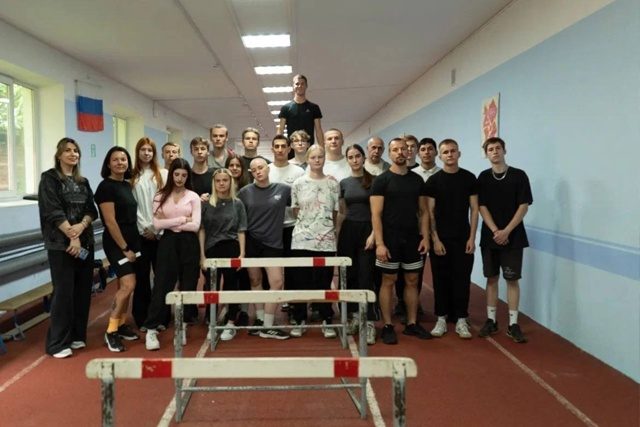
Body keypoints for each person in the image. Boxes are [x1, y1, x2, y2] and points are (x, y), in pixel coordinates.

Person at [38, 137, 98, 358]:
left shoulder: (83, 181)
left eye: (76, 151)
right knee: (63, 293)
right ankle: (57, 343)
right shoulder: (50, 179)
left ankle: (76, 336)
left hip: (84, 244)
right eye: (68, 150)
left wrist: (81, 227)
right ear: (59, 155)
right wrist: (72, 235)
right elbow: (52, 211)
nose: (73, 154)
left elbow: (92, 210)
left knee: (82, 291)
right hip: (61, 246)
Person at [371, 137, 431, 345]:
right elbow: (376, 215)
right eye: (395, 149)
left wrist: (425, 237)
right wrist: (380, 243)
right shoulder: (381, 181)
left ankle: (412, 323)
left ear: (409, 152)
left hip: (412, 239)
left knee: (412, 280)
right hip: (390, 239)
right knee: (388, 280)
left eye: (403, 149)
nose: (400, 152)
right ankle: (388, 325)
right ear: (389, 154)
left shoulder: (417, 180)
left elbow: (423, 212)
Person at [477, 137, 533, 343]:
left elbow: (524, 205)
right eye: (490, 149)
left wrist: (507, 231)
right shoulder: (483, 177)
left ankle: (513, 324)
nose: (494, 151)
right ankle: (491, 321)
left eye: (498, 148)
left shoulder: (519, 175)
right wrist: (495, 231)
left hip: (514, 237)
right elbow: (481, 206)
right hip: (490, 237)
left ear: (504, 150)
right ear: (486, 154)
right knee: (491, 279)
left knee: (512, 280)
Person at [143, 158, 201, 351]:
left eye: (184, 175)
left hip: (189, 243)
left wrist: (169, 221)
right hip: (167, 242)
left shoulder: (193, 196)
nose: (180, 178)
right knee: (162, 284)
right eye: (176, 174)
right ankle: (152, 329)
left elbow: (195, 225)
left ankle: (182, 326)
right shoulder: (160, 196)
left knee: (188, 284)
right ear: (171, 175)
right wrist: (183, 219)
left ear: (188, 177)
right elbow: (157, 224)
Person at [425, 139, 479, 339]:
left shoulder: (469, 178)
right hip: (441, 239)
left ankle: (462, 319)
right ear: (440, 156)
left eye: (453, 151)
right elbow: (430, 213)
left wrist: (472, 238)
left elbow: (474, 210)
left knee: (462, 279)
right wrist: (435, 240)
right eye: (446, 152)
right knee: (440, 279)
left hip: (463, 238)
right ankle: (441, 318)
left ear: (459, 153)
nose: (449, 154)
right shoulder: (433, 182)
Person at [238, 158, 291, 339]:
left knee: (277, 282)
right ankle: (260, 321)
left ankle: (268, 325)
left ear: (268, 169)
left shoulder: (283, 190)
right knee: (255, 281)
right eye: (253, 170)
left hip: (273, 242)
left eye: (260, 168)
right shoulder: (244, 192)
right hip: (252, 242)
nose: (258, 172)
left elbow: (302, 199)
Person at [289, 145, 339, 338]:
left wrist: (325, 228)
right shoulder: (298, 183)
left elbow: (334, 212)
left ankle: (327, 318)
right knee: (300, 281)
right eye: (313, 157)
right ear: (308, 159)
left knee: (324, 281)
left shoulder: (333, 183)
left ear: (325, 159)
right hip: (301, 239)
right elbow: (296, 210)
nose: (317, 160)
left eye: (321, 157)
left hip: (326, 239)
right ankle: (300, 318)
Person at [94, 147, 141, 352]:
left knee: (126, 284)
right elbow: (110, 222)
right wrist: (125, 248)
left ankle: (121, 324)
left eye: (123, 159)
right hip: (117, 243)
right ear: (108, 164)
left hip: (133, 239)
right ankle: (111, 331)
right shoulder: (105, 187)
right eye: (115, 160)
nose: (120, 163)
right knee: (128, 285)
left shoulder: (127, 185)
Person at [199, 168, 247, 341]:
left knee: (231, 285)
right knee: (211, 287)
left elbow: (241, 230)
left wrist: (242, 254)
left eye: (225, 180)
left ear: (230, 182)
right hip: (211, 248)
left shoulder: (238, 203)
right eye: (218, 180)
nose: (221, 183)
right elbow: (201, 230)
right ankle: (212, 321)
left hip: (231, 247)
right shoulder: (206, 203)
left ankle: (231, 321)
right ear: (214, 183)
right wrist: (202, 256)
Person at [338, 144, 378, 345]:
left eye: (357, 156)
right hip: (348, 232)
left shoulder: (374, 181)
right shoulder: (344, 183)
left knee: (366, 276)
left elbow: (378, 212)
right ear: (347, 160)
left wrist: (374, 234)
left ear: (363, 158)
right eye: (350, 157)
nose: (354, 160)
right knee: (350, 276)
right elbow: (342, 212)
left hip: (368, 231)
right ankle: (354, 316)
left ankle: (369, 322)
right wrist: (337, 235)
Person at [130, 137, 165, 330]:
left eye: (149, 150)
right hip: (141, 234)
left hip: (160, 234)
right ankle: (142, 318)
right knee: (142, 277)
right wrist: (145, 228)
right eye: (143, 150)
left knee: (161, 278)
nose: (146, 153)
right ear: (138, 152)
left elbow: (166, 204)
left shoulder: (162, 175)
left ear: (154, 153)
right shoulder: (131, 177)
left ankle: (160, 318)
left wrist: (156, 228)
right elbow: (132, 207)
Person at [268, 134, 305, 313]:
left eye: (283, 146)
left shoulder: (298, 172)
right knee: (273, 269)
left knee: (294, 268)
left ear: (289, 149)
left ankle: (293, 304)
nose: (280, 149)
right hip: (271, 228)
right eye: (277, 146)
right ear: (272, 149)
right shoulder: (266, 170)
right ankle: (272, 305)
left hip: (293, 226)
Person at [277, 74, 324, 147]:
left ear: (306, 86)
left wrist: (322, 149)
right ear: (293, 86)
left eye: (302, 84)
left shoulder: (314, 107)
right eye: (297, 84)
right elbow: (280, 130)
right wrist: (278, 146)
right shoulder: (286, 108)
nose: (300, 86)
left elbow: (318, 130)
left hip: (308, 148)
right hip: (291, 148)